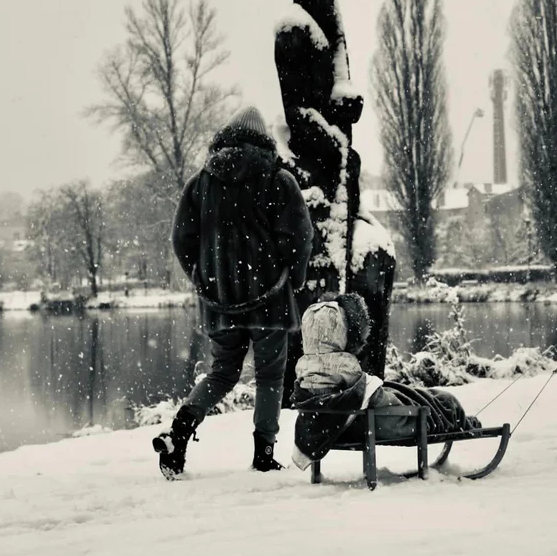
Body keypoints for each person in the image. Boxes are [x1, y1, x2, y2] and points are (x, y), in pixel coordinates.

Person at [152, 106, 314, 479]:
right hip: (269, 300)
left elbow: (181, 239)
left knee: (222, 373)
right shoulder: (277, 179)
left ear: (223, 141)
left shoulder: (200, 183)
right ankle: (264, 453)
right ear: (264, 142)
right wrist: (298, 277)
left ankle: (179, 431)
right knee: (271, 377)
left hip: (218, 302)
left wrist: (201, 276)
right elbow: (300, 236)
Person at [290, 292, 480, 469]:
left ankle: (454, 414)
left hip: (345, 430)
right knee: (442, 401)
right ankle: (463, 421)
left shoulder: (306, 373)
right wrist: (416, 407)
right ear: (342, 335)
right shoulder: (348, 373)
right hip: (374, 426)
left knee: (411, 394)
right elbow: (392, 408)